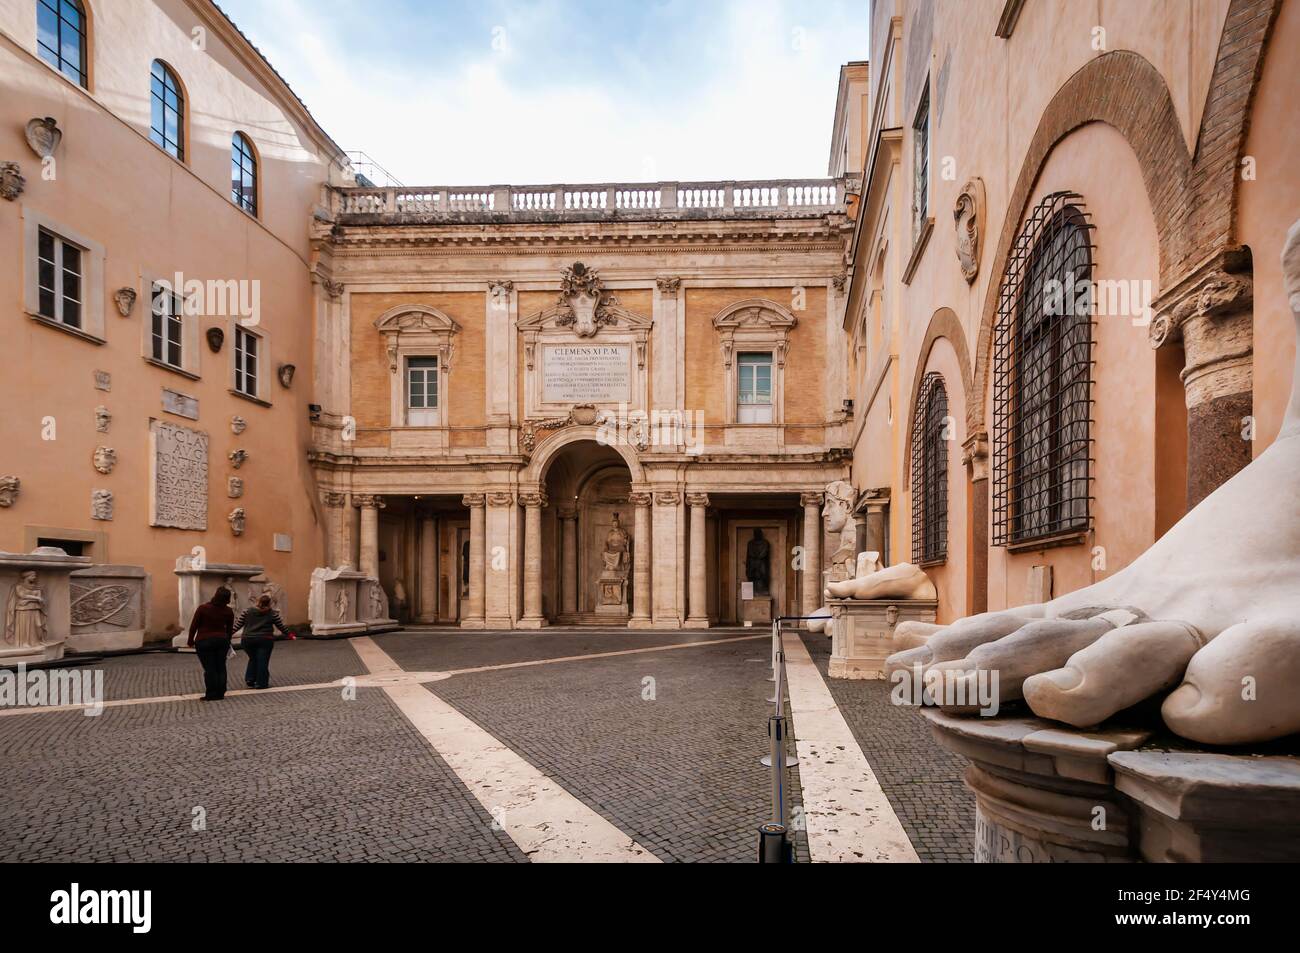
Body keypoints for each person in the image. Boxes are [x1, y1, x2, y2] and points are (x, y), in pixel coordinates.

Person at [187, 587, 235, 701]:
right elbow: (229, 629)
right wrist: (227, 641)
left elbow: (194, 626)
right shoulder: (228, 611)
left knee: (209, 668)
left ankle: (211, 693)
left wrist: (190, 640)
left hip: (204, 641)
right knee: (221, 667)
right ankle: (221, 692)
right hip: (221, 640)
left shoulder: (203, 608)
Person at [235, 594, 292, 689]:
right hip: (265, 640)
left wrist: (228, 633)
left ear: (258, 601)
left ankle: (250, 678)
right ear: (269, 603)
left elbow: (238, 625)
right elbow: (281, 626)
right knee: (262, 660)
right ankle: (261, 683)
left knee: (253, 658)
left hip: (247, 639)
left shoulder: (247, 611)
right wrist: (290, 635)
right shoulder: (272, 614)